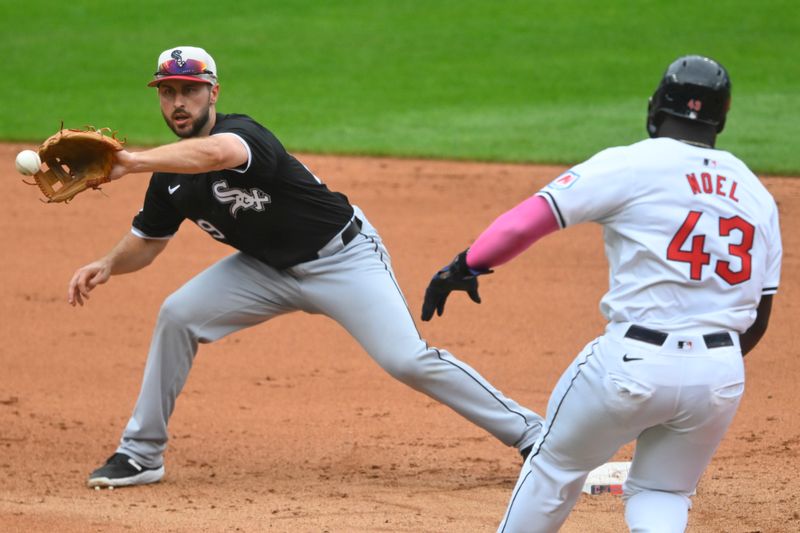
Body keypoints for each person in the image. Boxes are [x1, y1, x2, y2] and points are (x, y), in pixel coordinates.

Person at [70, 46, 542, 488]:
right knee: (178, 315)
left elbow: (214, 154)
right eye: (168, 92)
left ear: (213, 93)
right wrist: (108, 264)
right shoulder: (167, 176)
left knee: (406, 359)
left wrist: (130, 162)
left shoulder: (243, 134)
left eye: (190, 90)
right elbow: (148, 242)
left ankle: (532, 434)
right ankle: (141, 454)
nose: (178, 102)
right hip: (265, 271)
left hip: (343, 258)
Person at [421, 55, 781, 532]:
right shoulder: (756, 194)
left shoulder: (631, 163)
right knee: (662, 491)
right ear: (722, 119)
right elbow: (758, 317)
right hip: (719, 376)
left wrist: (468, 265)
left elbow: (525, 222)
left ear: (656, 108)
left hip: (629, 364)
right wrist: (694, 369)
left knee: (553, 468)